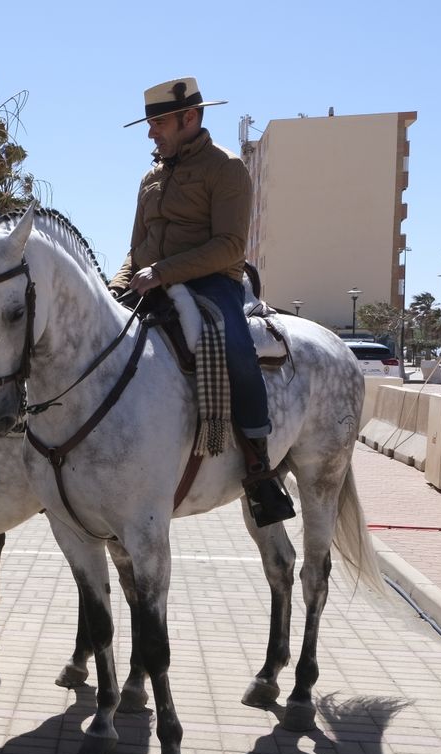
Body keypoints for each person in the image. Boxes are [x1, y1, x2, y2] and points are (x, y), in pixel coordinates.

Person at [107, 76, 294, 526]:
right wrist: (116, 287)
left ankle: (258, 465)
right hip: (148, 283)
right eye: (150, 124)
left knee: (235, 348)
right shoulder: (150, 175)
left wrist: (165, 272)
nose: (152, 132)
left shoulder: (226, 168)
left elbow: (231, 246)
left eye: (159, 123)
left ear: (189, 117)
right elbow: (136, 248)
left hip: (211, 285)